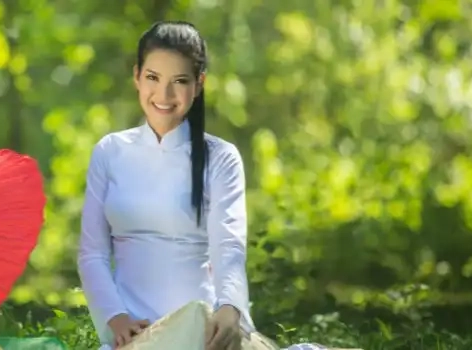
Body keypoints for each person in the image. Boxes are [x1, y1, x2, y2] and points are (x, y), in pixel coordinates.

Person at [77, 21, 333, 350]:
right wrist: (115, 318)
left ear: (199, 85)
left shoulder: (220, 157)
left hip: (202, 330)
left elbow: (228, 246)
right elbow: (92, 253)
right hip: (134, 336)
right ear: (137, 76)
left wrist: (229, 307)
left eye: (180, 81)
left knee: (196, 323)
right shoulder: (110, 152)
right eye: (153, 78)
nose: (164, 95)